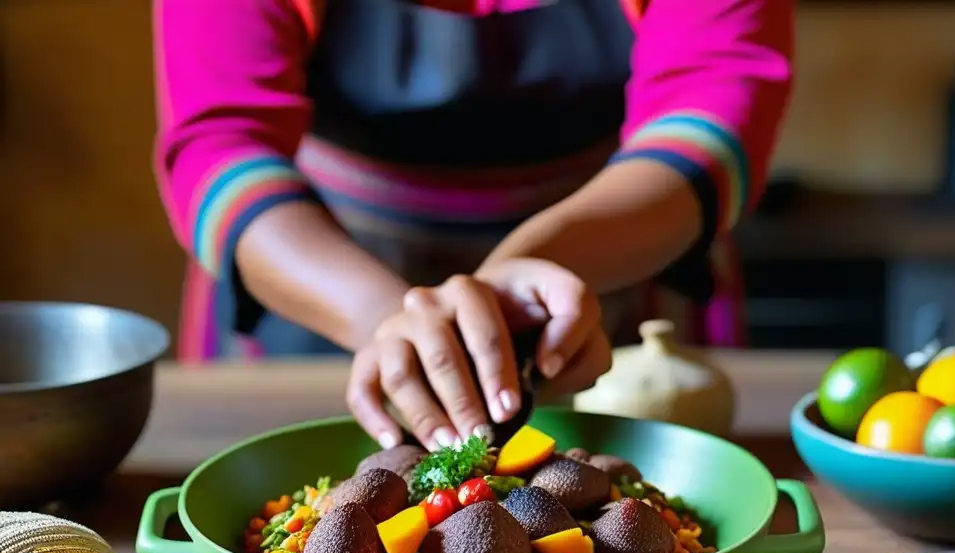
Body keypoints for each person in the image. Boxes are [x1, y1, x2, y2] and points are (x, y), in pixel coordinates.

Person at [153, 0, 793, 451]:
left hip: (607, 264)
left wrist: (532, 271)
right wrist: (390, 320)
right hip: (319, 279)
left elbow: (710, 113)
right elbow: (223, 144)